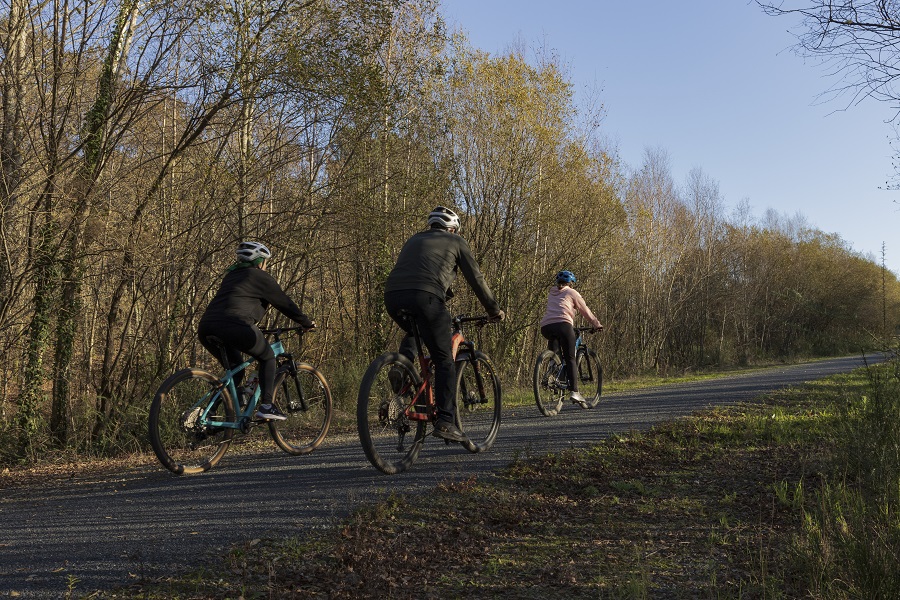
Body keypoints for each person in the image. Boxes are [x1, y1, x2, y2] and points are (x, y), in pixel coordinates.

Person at [384, 206, 505, 443]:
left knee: (415, 329)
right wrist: (493, 310)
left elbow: (420, 272)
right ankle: (446, 422)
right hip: (426, 297)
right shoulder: (456, 241)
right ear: (452, 228)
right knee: (444, 360)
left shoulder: (413, 240)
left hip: (392, 295)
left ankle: (403, 366)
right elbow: (476, 279)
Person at [198, 241, 315, 421]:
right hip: (235, 324)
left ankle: (208, 415)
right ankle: (267, 406)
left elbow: (236, 303)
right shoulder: (260, 277)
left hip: (206, 327)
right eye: (266, 262)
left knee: (236, 371)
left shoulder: (230, 276)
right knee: (268, 356)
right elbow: (285, 303)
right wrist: (306, 322)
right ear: (260, 262)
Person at [539, 270, 603, 408]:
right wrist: (596, 324)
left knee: (556, 353)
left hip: (546, 327)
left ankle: (552, 370)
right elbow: (585, 310)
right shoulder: (572, 293)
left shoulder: (552, 291)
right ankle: (574, 391)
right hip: (563, 325)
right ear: (571, 283)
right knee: (570, 358)